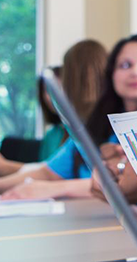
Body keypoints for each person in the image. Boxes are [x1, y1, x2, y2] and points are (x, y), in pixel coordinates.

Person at [0, 34, 137, 200]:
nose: (136, 73)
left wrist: (55, 188)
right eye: (125, 65)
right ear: (111, 75)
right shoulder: (100, 123)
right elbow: (49, 172)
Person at [0, 40, 108, 176]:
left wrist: (6, 167)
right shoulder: (63, 134)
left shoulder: (98, 129)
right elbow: (49, 171)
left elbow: (50, 174)